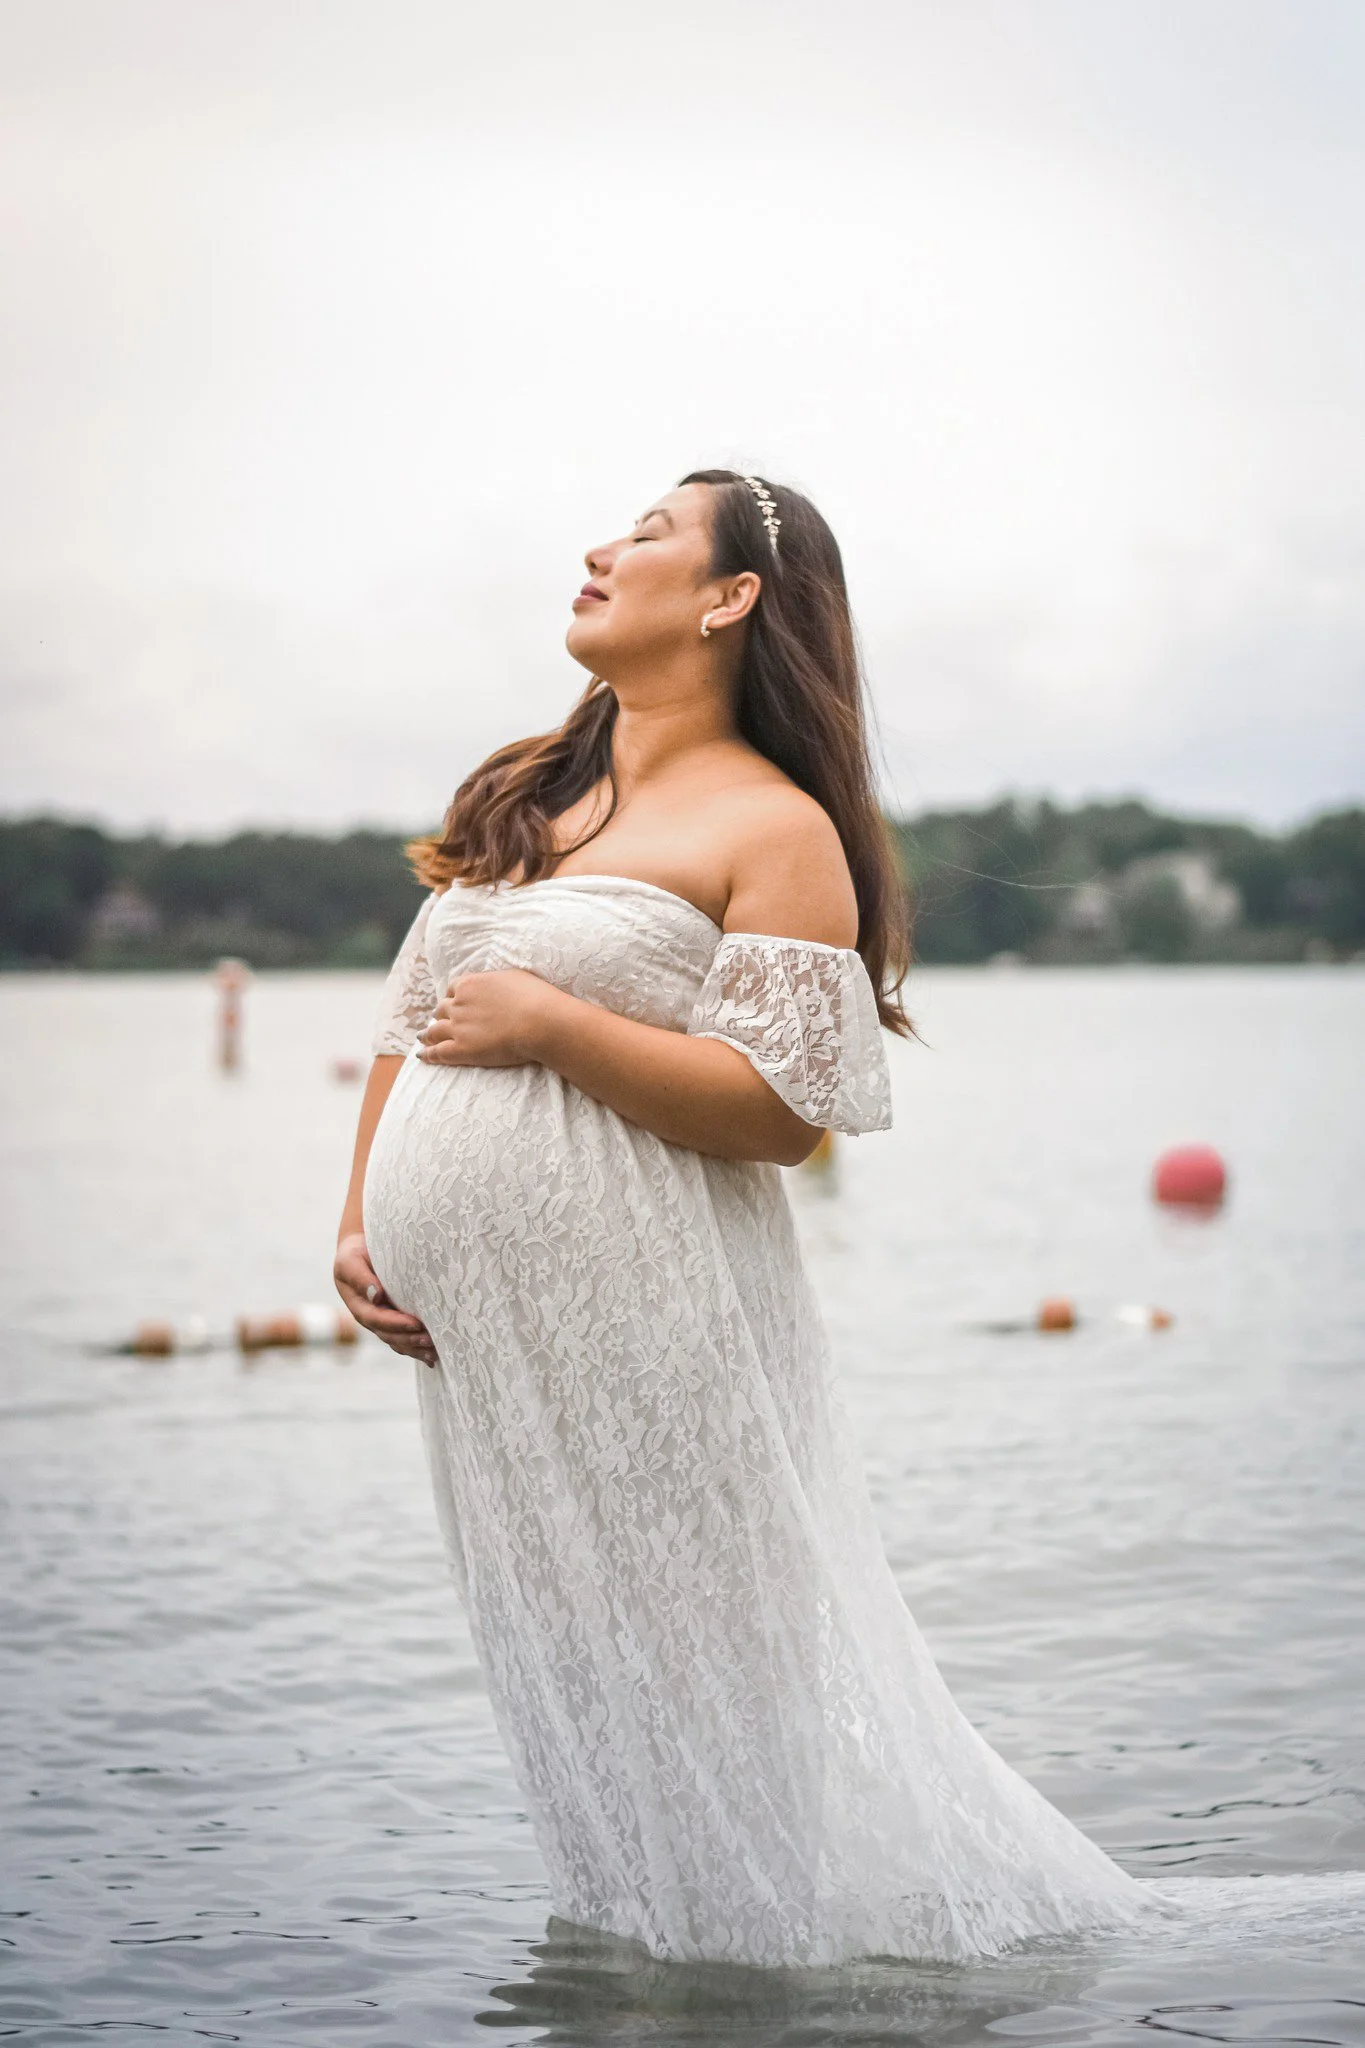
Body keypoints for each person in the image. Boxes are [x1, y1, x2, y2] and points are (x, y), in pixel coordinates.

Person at [333, 469, 1161, 1966]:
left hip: (662, 1324)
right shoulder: (527, 788)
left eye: (648, 534)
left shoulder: (780, 830)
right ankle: (643, 1953)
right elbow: (412, 1012)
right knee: (565, 1663)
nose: (600, 545)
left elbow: (781, 1112)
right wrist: (356, 1221)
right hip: (494, 1348)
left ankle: (745, 1979)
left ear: (729, 601)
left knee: (697, 1668)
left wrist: (551, 1027)